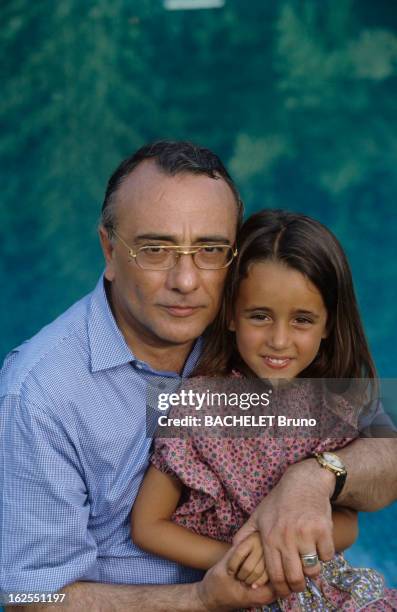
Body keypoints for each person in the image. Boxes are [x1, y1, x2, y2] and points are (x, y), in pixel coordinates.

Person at [0, 142, 396, 611]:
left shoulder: (257, 336)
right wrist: (201, 598)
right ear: (109, 250)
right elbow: (27, 597)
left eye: (210, 249)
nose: (186, 281)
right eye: (156, 249)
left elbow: (384, 456)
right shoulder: (38, 395)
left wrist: (314, 478)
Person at [132, 209, 397, 609]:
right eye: (260, 316)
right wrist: (242, 562)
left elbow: (346, 524)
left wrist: (289, 554)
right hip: (230, 589)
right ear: (232, 316)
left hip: (320, 591)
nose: (278, 340)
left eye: (302, 320)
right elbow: (148, 526)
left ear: (327, 325)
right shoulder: (195, 404)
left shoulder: (335, 405)